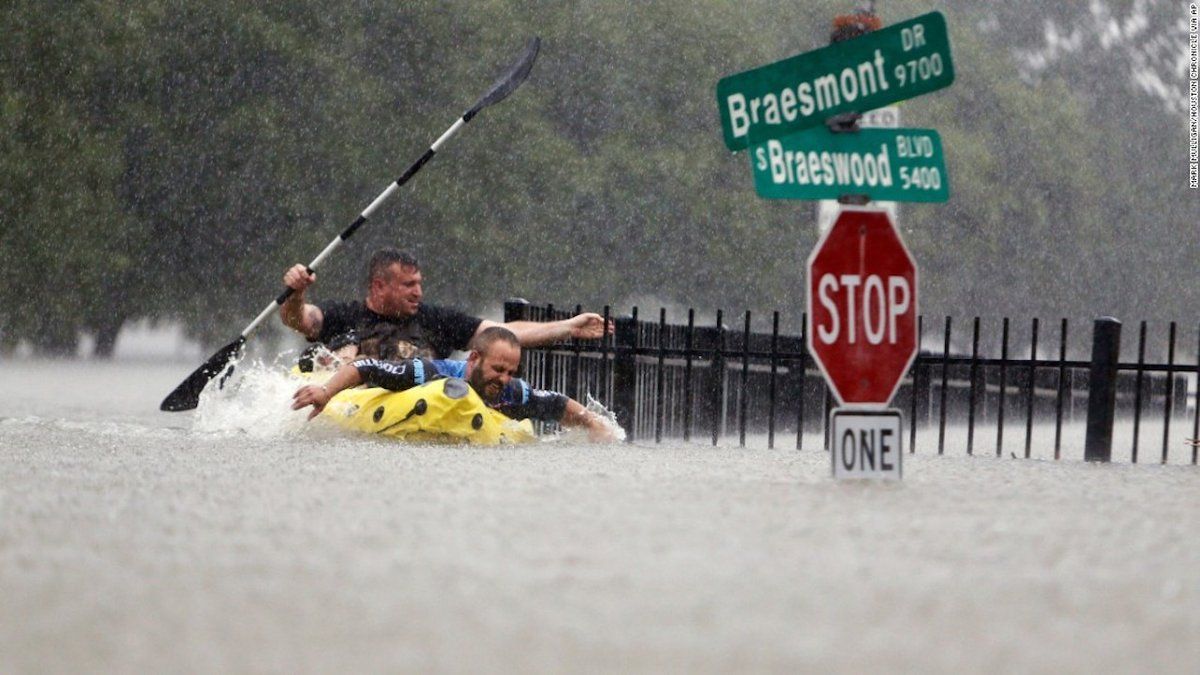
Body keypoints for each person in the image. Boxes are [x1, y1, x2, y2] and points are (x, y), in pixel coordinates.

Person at [292, 326, 617, 442]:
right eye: (498, 368)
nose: (503, 378)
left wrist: (593, 423)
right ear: (474, 359)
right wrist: (326, 392)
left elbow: (557, 403)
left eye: (511, 371)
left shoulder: (510, 391)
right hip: (384, 402)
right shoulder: (431, 371)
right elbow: (366, 367)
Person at [281, 248, 610, 362]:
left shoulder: (436, 320)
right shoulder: (344, 315)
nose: (418, 292)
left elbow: (503, 333)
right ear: (379, 286)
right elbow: (299, 319)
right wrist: (295, 292)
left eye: (420, 283)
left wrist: (568, 326)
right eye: (408, 285)